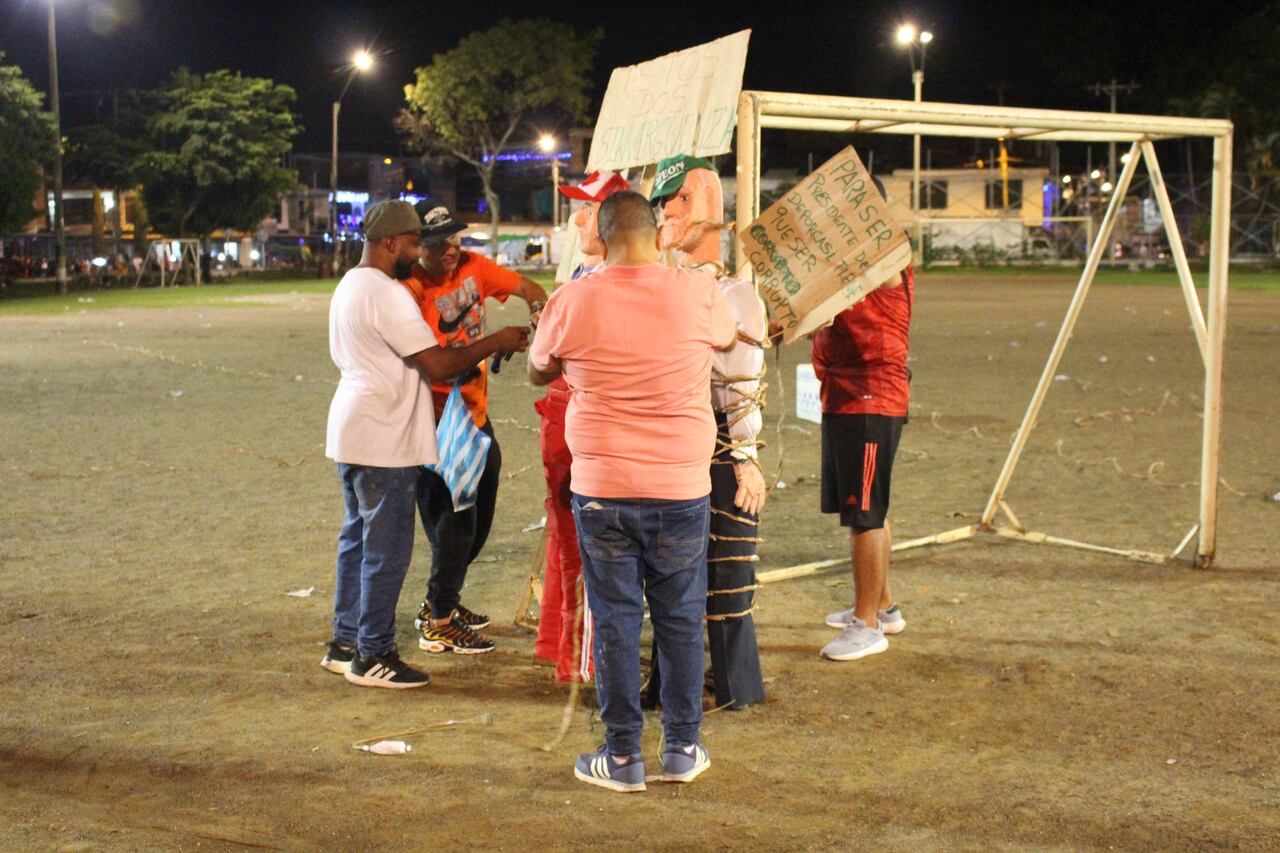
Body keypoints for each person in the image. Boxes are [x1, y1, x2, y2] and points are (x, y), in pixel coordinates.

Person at [529, 191, 736, 792]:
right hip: (680, 485)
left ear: (604, 231)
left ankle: (622, 757)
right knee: (679, 615)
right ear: (655, 231)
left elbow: (538, 368)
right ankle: (681, 748)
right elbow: (725, 340)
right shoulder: (696, 292)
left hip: (602, 488)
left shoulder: (572, 298)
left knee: (616, 620)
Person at [321, 200, 528, 688]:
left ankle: (344, 642)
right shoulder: (388, 293)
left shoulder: (351, 284)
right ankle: (372, 655)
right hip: (383, 437)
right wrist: (496, 340)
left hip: (354, 430)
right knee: (386, 550)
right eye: (414, 242)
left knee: (356, 542)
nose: (420, 251)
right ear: (392, 242)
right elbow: (437, 364)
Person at [400, 206, 548, 655]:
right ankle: (438, 619)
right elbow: (436, 363)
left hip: (475, 417)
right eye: (438, 241)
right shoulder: (411, 290)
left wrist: (541, 321)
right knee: (455, 524)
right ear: (416, 245)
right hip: (435, 424)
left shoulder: (473, 267)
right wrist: (496, 341)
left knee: (476, 523)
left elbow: (531, 288)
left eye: (455, 239)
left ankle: (443, 601)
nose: (450, 248)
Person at [649, 154, 768, 710]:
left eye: (670, 200)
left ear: (696, 200)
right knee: (670, 569)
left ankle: (734, 685)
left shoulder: (735, 294)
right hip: (672, 440)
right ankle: (676, 682)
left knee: (726, 565)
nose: (662, 212)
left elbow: (741, 385)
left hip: (716, 440)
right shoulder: (666, 284)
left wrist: (743, 454)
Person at [533, 170, 630, 685]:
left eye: (588, 210)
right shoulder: (581, 272)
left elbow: (546, 359)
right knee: (568, 540)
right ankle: (564, 648)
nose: (575, 218)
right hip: (563, 422)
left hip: (584, 425)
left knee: (589, 544)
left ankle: (580, 656)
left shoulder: (601, 283)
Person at [812, 176, 914, 661]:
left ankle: (866, 623)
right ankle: (886, 606)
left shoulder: (884, 254)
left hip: (871, 399)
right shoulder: (843, 267)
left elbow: (877, 260)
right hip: (844, 397)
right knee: (869, 510)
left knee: (865, 516)